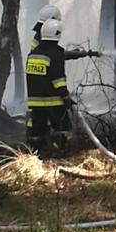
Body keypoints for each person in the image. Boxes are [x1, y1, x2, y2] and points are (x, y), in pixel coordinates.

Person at [25, 18, 75, 154]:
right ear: (57, 34)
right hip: (54, 101)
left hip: (35, 102)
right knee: (63, 128)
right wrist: (65, 95)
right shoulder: (56, 53)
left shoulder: (33, 54)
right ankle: (62, 153)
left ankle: (35, 154)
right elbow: (57, 77)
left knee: (36, 131)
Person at [31, 4, 101, 60]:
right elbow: (58, 55)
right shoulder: (44, 37)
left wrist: (77, 53)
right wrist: (81, 54)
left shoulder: (40, 35)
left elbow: (56, 54)